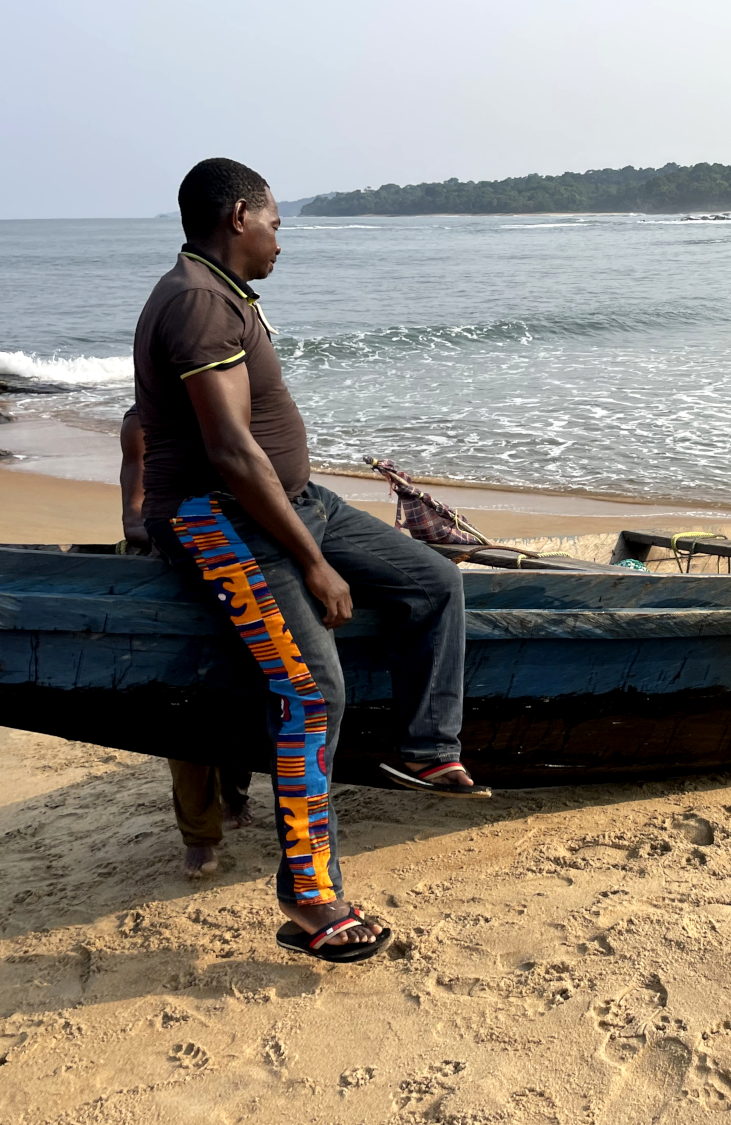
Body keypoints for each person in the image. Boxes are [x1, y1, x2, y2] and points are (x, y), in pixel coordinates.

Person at [135, 158, 481, 961]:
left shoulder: (225, 294)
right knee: (311, 687)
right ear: (238, 216)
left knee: (433, 582)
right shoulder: (195, 302)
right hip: (218, 522)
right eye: (275, 224)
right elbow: (226, 450)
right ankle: (309, 893)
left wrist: (306, 519)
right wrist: (314, 563)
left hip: (292, 502)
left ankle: (424, 748)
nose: (280, 240)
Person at [121, 405, 256, 880]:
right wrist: (179, 533)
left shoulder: (237, 411)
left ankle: (235, 793)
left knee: (247, 692)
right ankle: (199, 837)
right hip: (176, 564)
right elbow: (133, 519)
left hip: (242, 558)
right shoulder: (143, 424)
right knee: (186, 706)